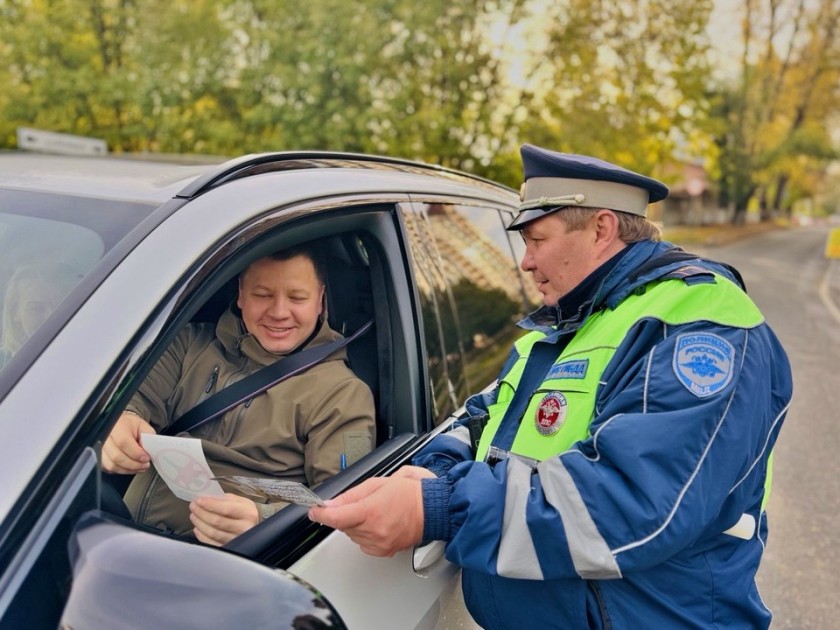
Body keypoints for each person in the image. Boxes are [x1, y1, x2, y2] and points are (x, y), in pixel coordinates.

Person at [310, 144, 793, 629]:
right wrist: (434, 472)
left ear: (601, 229)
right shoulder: (565, 327)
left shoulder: (701, 327)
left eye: (537, 240)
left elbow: (632, 504)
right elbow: (479, 421)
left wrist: (438, 508)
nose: (525, 262)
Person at [103, 244, 376, 546]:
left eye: (297, 298)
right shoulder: (189, 343)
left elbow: (344, 504)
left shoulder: (343, 394)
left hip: (229, 560)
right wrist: (122, 421)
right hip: (120, 532)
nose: (279, 312)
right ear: (241, 295)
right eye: (262, 295)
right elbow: (134, 399)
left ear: (320, 301)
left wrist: (263, 520)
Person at [1, 261, 81, 367]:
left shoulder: (82, 349)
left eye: (57, 306)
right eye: (35, 309)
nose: (49, 315)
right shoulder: (13, 371)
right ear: (14, 314)